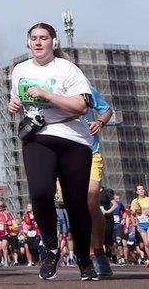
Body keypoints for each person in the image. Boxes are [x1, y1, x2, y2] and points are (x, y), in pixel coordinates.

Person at [8, 22, 97, 280]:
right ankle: (50, 248)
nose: (38, 43)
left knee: (76, 203)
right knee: (41, 194)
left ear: (53, 42)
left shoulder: (67, 69)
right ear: (28, 42)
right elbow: (17, 99)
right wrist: (13, 105)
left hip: (72, 137)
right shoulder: (20, 70)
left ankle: (83, 258)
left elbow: (81, 106)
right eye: (33, 38)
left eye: (43, 38)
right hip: (38, 136)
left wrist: (48, 95)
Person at [86, 85, 115, 277]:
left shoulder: (83, 85)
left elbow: (106, 109)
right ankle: (86, 254)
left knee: (91, 201)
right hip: (64, 154)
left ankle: (98, 252)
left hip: (91, 152)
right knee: (76, 206)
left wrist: (100, 122)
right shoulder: (45, 88)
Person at [0, 201, 14, 266]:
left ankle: (6, 262)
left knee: (4, 247)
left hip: (5, 233)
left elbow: (11, 223)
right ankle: (2, 258)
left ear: (3, 206)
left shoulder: (7, 213)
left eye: (1, 206)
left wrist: (4, 223)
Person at [131, 184, 149, 261]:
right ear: (137, 192)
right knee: (146, 244)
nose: (141, 191)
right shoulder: (135, 201)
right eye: (139, 189)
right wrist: (136, 211)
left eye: (142, 189)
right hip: (141, 224)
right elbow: (132, 213)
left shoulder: (148, 199)